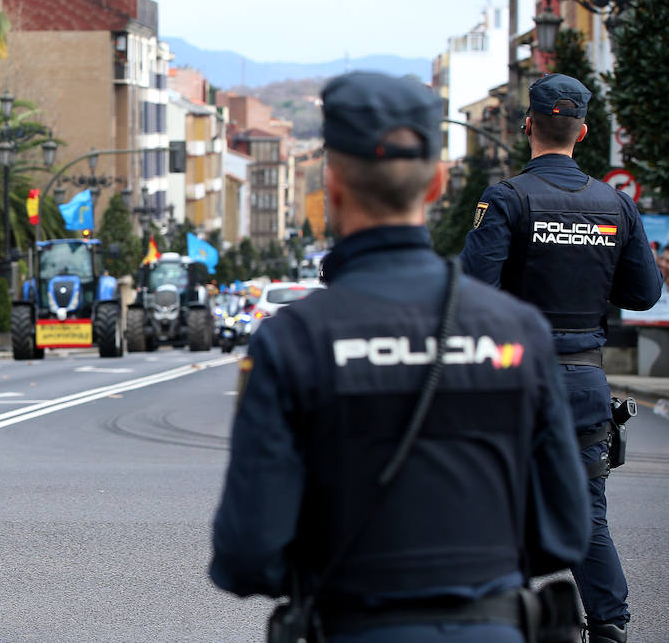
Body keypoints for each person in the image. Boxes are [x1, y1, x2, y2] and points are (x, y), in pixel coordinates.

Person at [210, 72, 590, 642]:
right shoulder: (520, 333)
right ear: (436, 184)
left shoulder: (294, 341)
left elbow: (246, 554)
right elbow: (564, 530)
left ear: (332, 186)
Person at [459, 73, 662, 643]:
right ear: (584, 131)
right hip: (581, 380)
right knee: (586, 513)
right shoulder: (615, 204)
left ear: (527, 125)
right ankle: (611, 626)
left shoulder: (506, 199)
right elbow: (643, 293)